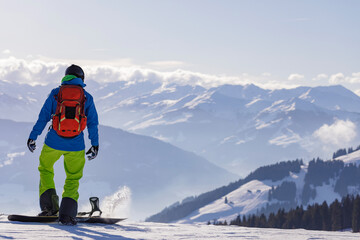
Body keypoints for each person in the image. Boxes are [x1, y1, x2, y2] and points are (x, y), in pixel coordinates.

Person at [27, 64, 99, 225]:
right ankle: (67, 214)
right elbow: (93, 124)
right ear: (82, 79)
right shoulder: (87, 97)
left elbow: (43, 117)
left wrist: (33, 136)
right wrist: (95, 145)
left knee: (45, 169)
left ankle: (50, 208)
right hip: (76, 146)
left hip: (53, 142)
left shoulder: (55, 94)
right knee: (73, 177)